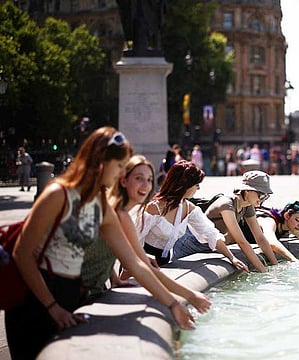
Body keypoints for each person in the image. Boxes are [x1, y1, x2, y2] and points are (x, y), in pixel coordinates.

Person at [5, 127, 195, 360]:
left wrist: (173, 304)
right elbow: (22, 254)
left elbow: (134, 263)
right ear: (100, 162)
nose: (120, 172)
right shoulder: (58, 194)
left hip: (71, 294)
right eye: (119, 165)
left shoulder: (101, 205)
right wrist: (51, 306)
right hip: (34, 299)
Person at [81, 154, 211, 314]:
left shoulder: (122, 215)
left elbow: (118, 254)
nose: (146, 185)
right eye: (139, 178)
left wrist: (113, 276)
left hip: (92, 291)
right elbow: (138, 266)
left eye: (150, 180)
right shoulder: (111, 212)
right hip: (72, 294)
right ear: (123, 180)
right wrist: (185, 298)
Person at [135, 160, 248, 272]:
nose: (198, 188)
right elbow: (134, 239)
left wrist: (232, 258)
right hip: (141, 260)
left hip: (165, 262)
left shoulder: (189, 208)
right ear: (184, 185)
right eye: (196, 184)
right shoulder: (154, 207)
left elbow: (210, 233)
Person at [173, 170, 279, 273]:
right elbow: (241, 241)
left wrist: (275, 266)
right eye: (261, 195)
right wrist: (264, 272)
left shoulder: (247, 206)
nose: (263, 199)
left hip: (211, 246)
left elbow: (260, 238)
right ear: (247, 191)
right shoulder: (226, 204)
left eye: (266, 196)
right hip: (188, 244)